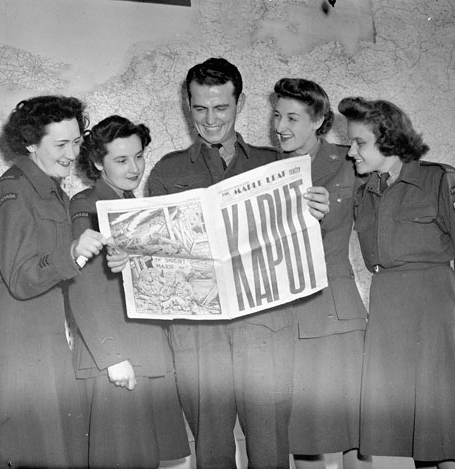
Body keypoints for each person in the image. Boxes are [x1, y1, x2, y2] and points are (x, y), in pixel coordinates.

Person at [146, 57, 329, 469]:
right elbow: (154, 258)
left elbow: (302, 248)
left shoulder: (275, 164)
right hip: (199, 335)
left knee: (269, 446)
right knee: (211, 449)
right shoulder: (166, 171)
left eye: (221, 107)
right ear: (187, 105)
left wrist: (315, 212)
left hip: (264, 327)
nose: (210, 120)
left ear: (240, 103)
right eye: (199, 108)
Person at [338, 96, 455, 468]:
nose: (351, 152)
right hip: (389, 317)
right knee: (422, 443)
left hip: (435, 313)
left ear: (389, 140)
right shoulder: (367, 192)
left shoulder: (438, 179)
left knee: (451, 441)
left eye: (359, 142)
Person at [0, 95, 112, 468]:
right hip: (16, 336)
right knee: (25, 447)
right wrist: (73, 252)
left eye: (76, 142)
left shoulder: (49, 189)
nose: (72, 154)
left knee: (48, 446)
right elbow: (23, 278)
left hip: (40, 333)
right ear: (30, 143)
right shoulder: (14, 192)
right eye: (60, 144)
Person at [68, 115, 190, 468]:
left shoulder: (139, 205)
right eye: (121, 160)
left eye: (139, 156)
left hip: (149, 356)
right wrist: (112, 357)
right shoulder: (86, 205)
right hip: (115, 360)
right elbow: (83, 288)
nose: (134, 167)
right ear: (96, 163)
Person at [272, 78, 371, 469]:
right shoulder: (264, 169)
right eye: (277, 115)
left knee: (359, 436)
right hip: (287, 316)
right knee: (305, 436)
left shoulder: (351, 162)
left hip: (337, 309)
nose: (281, 126)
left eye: (293, 118)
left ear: (319, 121)